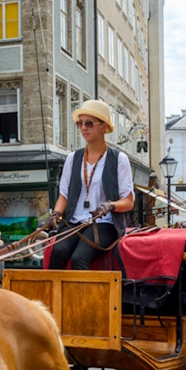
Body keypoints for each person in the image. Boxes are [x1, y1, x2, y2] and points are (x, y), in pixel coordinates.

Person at [43, 99, 134, 269]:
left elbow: (128, 202)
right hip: (74, 221)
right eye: (80, 123)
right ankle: (56, 296)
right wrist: (55, 214)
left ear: (104, 127)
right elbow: (64, 195)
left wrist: (109, 205)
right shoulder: (73, 158)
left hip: (105, 223)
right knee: (58, 252)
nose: (84, 128)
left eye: (89, 123)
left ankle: (84, 297)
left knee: (80, 258)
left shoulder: (118, 159)